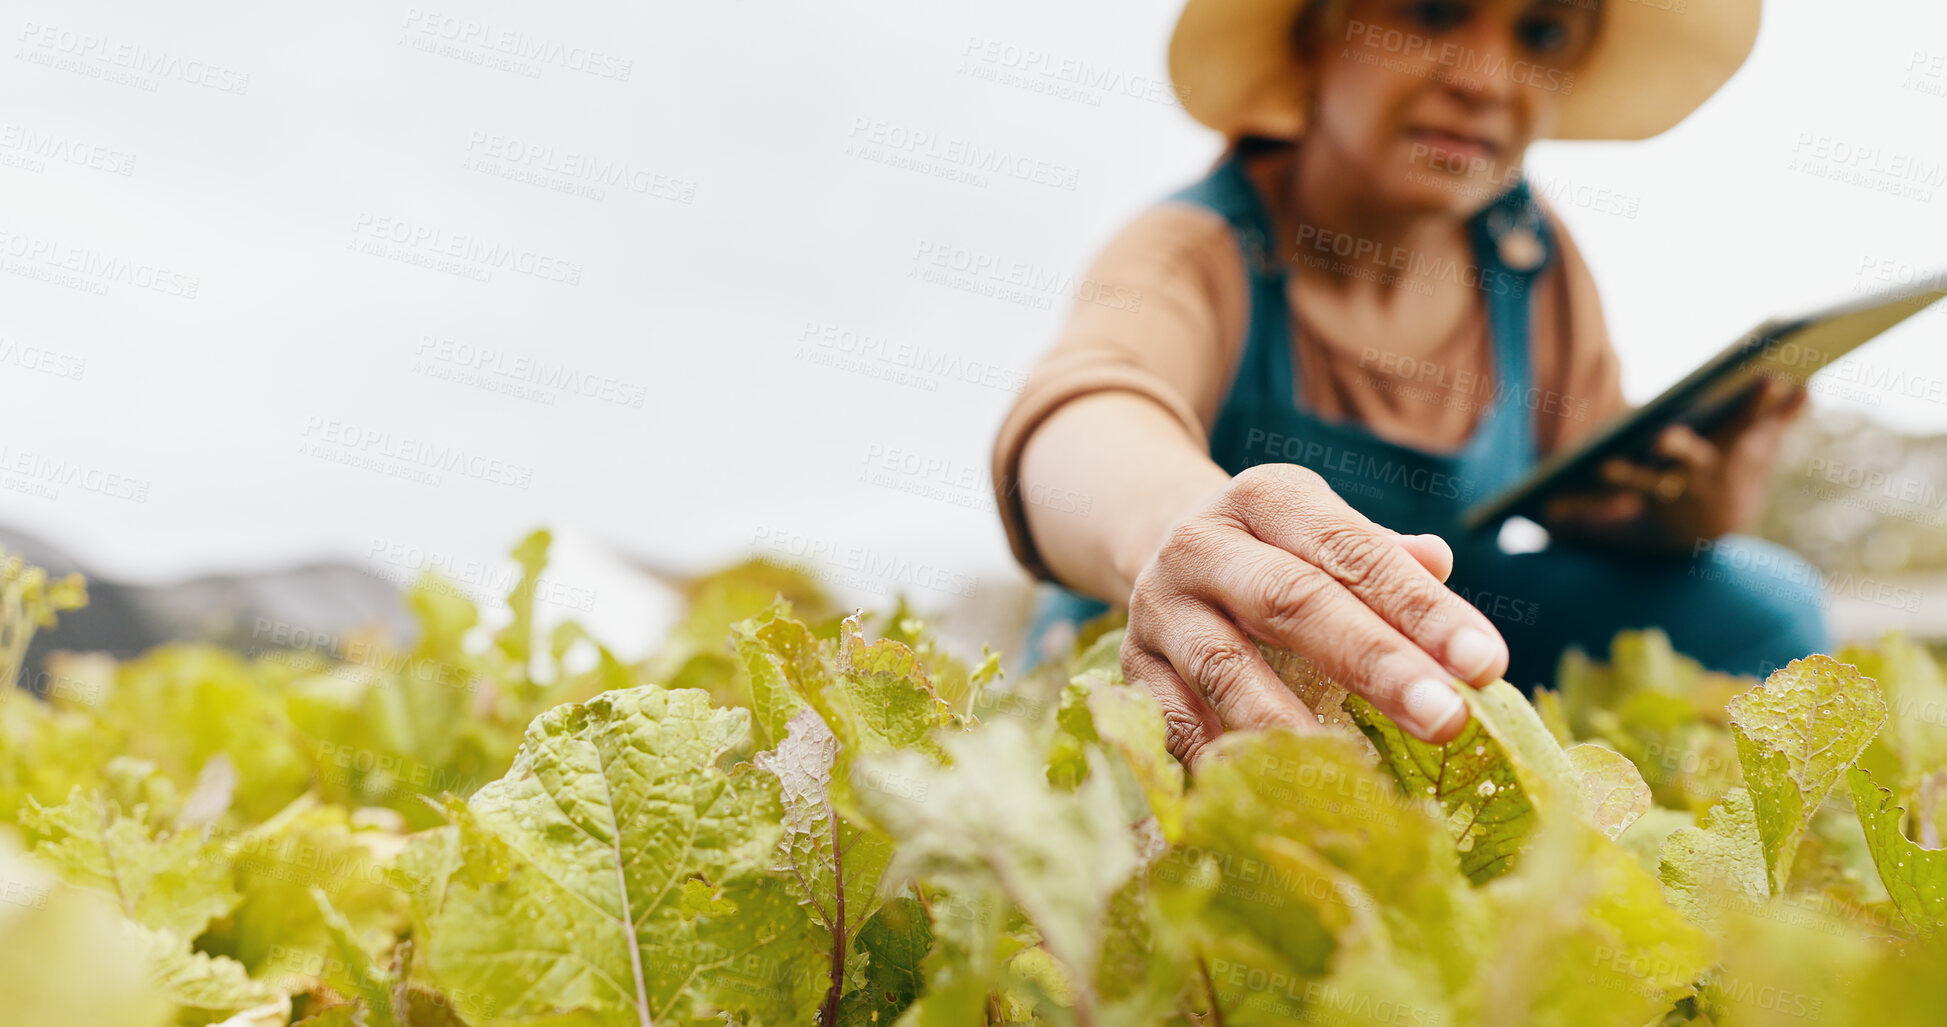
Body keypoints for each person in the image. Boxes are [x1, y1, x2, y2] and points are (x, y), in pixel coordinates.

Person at [989, 0, 1828, 762]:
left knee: (1761, 605)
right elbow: (1085, 415)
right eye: (1430, 13)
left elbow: (1585, 484)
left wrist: (1682, 510)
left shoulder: (1529, 261)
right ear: (1315, 35)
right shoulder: (1197, 247)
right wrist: (1176, 527)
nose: (1484, 79)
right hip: (1205, 658)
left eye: (1540, 34)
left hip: (1440, 648)